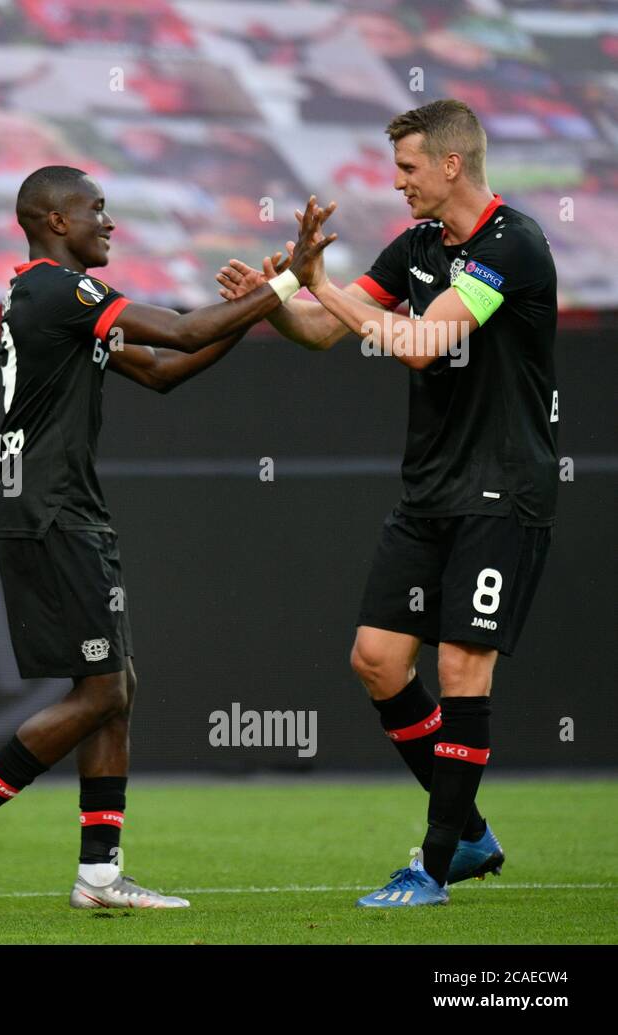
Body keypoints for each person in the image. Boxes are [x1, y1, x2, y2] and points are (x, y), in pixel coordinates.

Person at [0, 164, 335, 910]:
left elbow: (167, 369)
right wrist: (286, 285)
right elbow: (179, 327)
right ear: (53, 220)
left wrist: (257, 311)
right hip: (50, 512)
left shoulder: (59, 303)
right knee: (104, 688)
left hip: (62, 509)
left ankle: (100, 874)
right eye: (96, 210)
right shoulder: (58, 289)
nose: (109, 223)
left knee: (114, 688)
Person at [218, 100, 558, 907]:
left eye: (407, 168)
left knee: (460, 669)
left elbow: (418, 342)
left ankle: (433, 867)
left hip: (502, 491)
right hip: (430, 492)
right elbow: (322, 330)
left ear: (450, 165)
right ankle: (470, 830)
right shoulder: (415, 247)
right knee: (376, 659)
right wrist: (276, 299)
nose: (396, 182)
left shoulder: (514, 244)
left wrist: (319, 287)